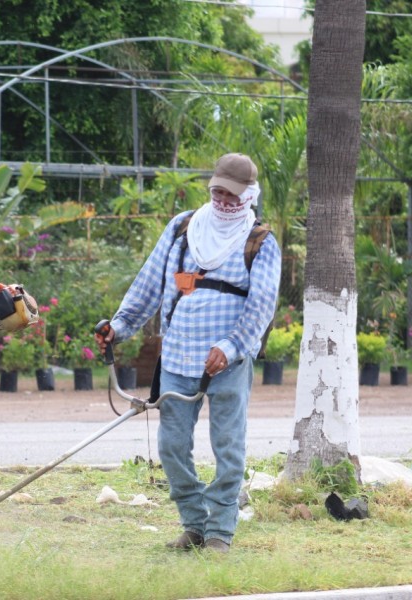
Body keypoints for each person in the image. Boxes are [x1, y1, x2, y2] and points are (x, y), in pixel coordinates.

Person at [96, 153, 281, 553]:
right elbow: (149, 283)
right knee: (172, 447)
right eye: (217, 191)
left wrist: (231, 347)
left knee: (228, 447)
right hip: (179, 356)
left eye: (232, 195)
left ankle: (220, 532)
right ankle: (195, 524)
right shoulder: (183, 227)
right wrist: (120, 325)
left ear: (249, 195)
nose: (223, 200)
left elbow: (262, 304)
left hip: (226, 362)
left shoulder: (260, 241)